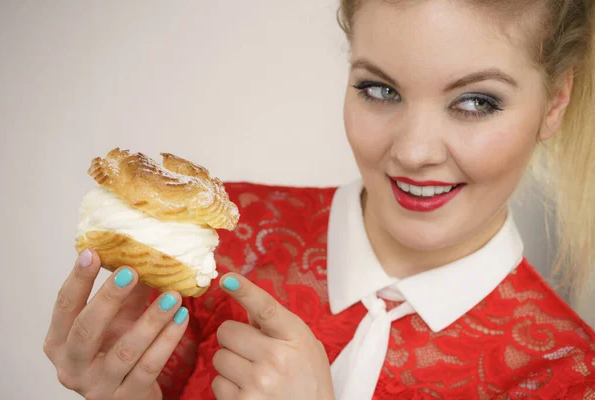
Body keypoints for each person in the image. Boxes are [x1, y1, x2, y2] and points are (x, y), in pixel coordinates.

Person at [43, 0, 595, 399]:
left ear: (555, 103)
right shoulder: (213, 242)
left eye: (476, 102)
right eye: (380, 90)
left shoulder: (566, 376)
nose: (414, 151)